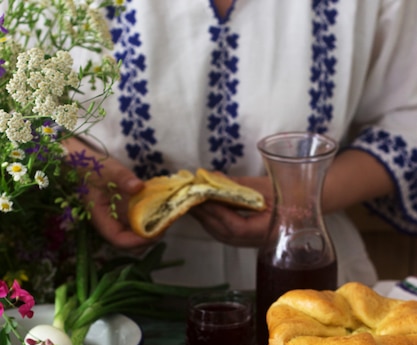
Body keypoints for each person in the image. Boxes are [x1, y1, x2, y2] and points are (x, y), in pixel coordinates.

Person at [68, 0, 417, 290]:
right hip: (99, 290)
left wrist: (302, 201)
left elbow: (409, 116)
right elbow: (15, 106)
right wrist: (81, 166)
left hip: (304, 274)